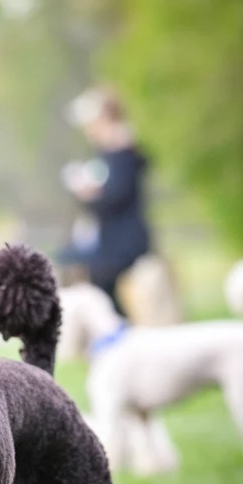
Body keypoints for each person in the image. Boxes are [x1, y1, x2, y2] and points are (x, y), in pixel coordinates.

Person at [59, 87, 153, 316]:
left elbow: (116, 195)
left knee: (95, 273)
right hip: (110, 240)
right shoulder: (110, 153)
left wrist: (90, 194)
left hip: (124, 243)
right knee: (66, 258)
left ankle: (116, 328)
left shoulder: (121, 153)